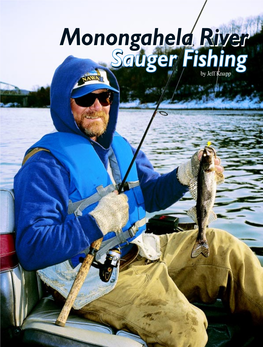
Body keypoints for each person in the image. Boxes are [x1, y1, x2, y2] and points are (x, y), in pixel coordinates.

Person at [14, 55, 263, 347]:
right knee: (186, 327)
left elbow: (152, 194)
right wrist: (96, 222)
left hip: (142, 248)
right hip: (93, 278)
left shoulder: (120, 147)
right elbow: (32, 249)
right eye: (84, 98)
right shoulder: (44, 165)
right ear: (63, 103)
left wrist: (187, 173)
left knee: (230, 250)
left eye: (104, 97)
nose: (97, 106)